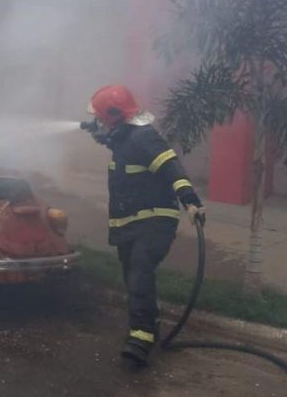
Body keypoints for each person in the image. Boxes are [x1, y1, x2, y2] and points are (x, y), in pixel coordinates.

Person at [82, 85, 206, 366]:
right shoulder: (125, 137)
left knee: (139, 271)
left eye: (100, 117)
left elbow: (171, 166)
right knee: (133, 276)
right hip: (131, 223)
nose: (97, 121)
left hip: (154, 220)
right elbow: (118, 144)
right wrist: (99, 134)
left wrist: (190, 200)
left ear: (113, 116)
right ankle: (149, 321)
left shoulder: (143, 137)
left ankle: (141, 340)